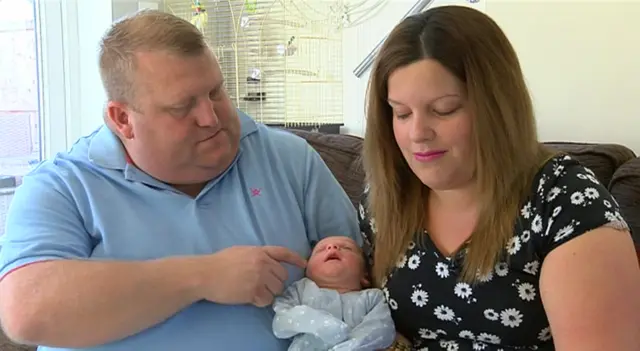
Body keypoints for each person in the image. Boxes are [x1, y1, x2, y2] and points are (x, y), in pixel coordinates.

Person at [0, 10, 361, 351]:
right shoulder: (61, 186)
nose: (211, 117)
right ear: (122, 118)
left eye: (215, 92)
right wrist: (203, 276)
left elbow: (361, 275)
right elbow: (25, 312)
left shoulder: (290, 159)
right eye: (182, 106)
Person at [359, 5, 640, 351]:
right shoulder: (383, 201)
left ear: (497, 107)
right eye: (401, 113)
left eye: (444, 109)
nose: (417, 133)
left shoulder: (565, 202)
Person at [272, 236, 395, 350]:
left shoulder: (372, 298)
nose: (332, 247)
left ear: (365, 275)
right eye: (320, 250)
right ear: (307, 271)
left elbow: (381, 330)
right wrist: (319, 323)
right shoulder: (300, 290)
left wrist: (350, 345)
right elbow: (280, 322)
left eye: (347, 248)